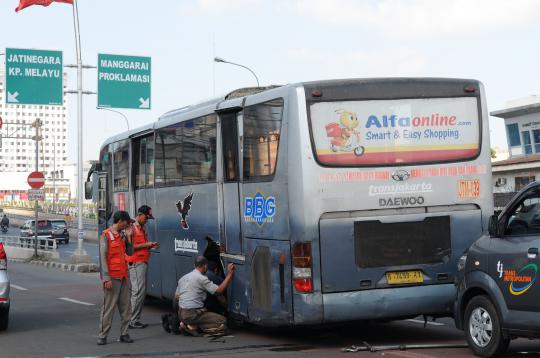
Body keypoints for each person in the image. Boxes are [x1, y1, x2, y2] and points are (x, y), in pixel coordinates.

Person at [97, 210, 134, 345]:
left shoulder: (123, 235)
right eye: (127, 223)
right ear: (120, 221)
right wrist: (106, 278)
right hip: (112, 278)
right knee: (109, 308)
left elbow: (129, 253)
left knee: (126, 308)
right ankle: (102, 335)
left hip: (123, 276)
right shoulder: (106, 235)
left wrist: (129, 238)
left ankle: (124, 333)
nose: (127, 226)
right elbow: (103, 258)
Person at [176, 256, 234, 336]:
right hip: (192, 314)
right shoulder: (201, 278)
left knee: (204, 313)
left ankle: (188, 324)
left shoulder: (183, 277)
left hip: (181, 313)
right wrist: (229, 275)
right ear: (205, 266)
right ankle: (192, 327)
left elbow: (177, 296)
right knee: (222, 321)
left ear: (194, 265)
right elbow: (219, 290)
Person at [125, 205, 159, 329]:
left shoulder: (141, 228)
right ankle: (131, 321)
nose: (147, 220)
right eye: (146, 217)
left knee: (140, 292)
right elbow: (130, 247)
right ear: (139, 215)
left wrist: (149, 246)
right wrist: (147, 244)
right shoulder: (131, 227)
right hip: (135, 263)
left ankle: (135, 319)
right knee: (138, 292)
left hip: (141, 262)